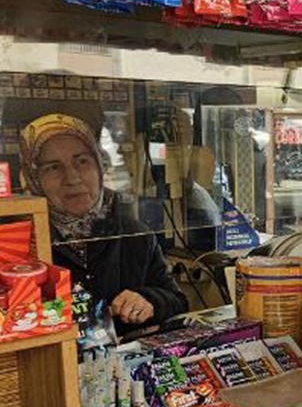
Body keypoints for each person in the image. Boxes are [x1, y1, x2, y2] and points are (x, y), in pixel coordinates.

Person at [19, 114, 187, 335]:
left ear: (99, 166)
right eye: (53, 167)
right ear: (34, 179)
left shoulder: (134, 234)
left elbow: (177, 301)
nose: (72, 178)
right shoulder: (21, 243)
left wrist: (148, 300)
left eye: (82, 161)